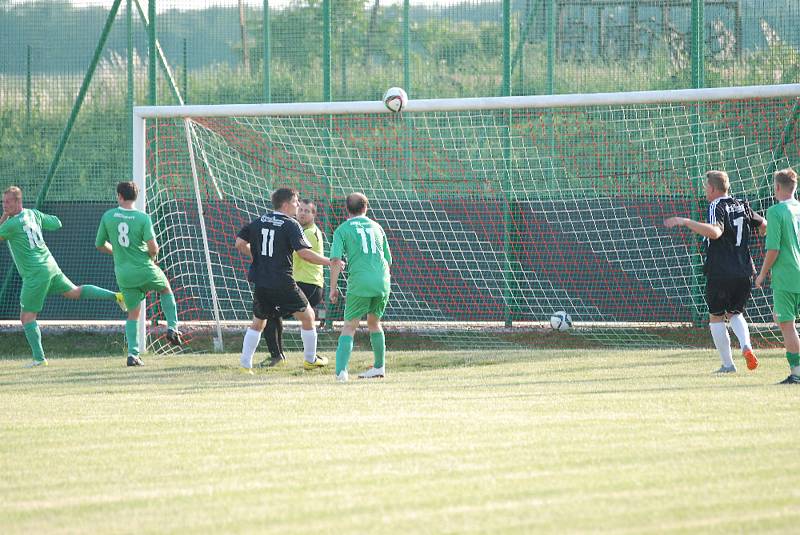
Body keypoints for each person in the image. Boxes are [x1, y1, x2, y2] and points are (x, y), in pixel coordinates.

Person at [0, 186, 125, 367]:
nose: (5, 205)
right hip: (50, 266)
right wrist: (38, 221)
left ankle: (39, 359)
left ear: (19, 201)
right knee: (73, 292)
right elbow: (57, 223)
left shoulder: (11, 225)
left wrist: (5, 218)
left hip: (35, 274)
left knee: (27, 317)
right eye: (3, 202)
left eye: (8, 202)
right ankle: (116, 295)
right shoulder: (33, 214)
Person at [664, 170, 765, 373]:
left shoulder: (715, 206)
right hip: (744, 270)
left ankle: (728, 365)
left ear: (711, 188)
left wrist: (685, 222)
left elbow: (715, 232)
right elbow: (764, 224)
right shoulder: (742, 204)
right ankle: (746, 346)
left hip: (720, 270)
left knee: (716, 316)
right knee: (736, 313)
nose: (705, 191)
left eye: (705, 188)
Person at [236, 187, 340, 374]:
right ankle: (310, 360)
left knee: (258, 322)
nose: (298, 205)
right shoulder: (290, 224)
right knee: (308, 316)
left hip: (261, 282)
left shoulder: (260, 221)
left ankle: (245, 365)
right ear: (285, 204)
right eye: (295, 202)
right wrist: (330, 262)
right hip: (283, 281)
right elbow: (304, 253)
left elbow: (239, 243)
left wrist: (259, 258)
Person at [95, 181, 182, 367]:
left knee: (133, 314)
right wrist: (151, 256)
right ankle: (172, 327)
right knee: (165, 289)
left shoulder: (108, 216)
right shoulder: (142, 218)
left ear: (119, 195)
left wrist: (117, 252)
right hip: (144, 268)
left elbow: (99, 244)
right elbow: (153, 248)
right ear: (136, 196)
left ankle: (133, 354)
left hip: (123, 273)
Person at [329, 192, 392, 382]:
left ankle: (341, 372)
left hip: (360, 283)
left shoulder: (342, 229)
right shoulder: (377, 227)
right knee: (374, 323)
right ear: (366, 208)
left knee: (349, 326)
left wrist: (332, 288)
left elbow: (335, 260)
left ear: (346, 209)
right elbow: (388, 260)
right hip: (382, 281)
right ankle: (379, 367)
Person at [259, 198, 326, 367]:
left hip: (308, 284)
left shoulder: (309, 232)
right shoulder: (296, 229)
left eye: (307, 211)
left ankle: (283, 357)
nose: (302, 213)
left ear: (314, 215)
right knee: (272, 313)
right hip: (299, 283)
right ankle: (296, 356)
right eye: (301, 209)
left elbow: (302, 254)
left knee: (270, 313)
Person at [755, 168, 800, 384]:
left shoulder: (774, 211)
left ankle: (797, 373)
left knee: (787, 324)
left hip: (787, 275)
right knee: (783, 320)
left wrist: (762, 274)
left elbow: (773, 249)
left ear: (777, 187)